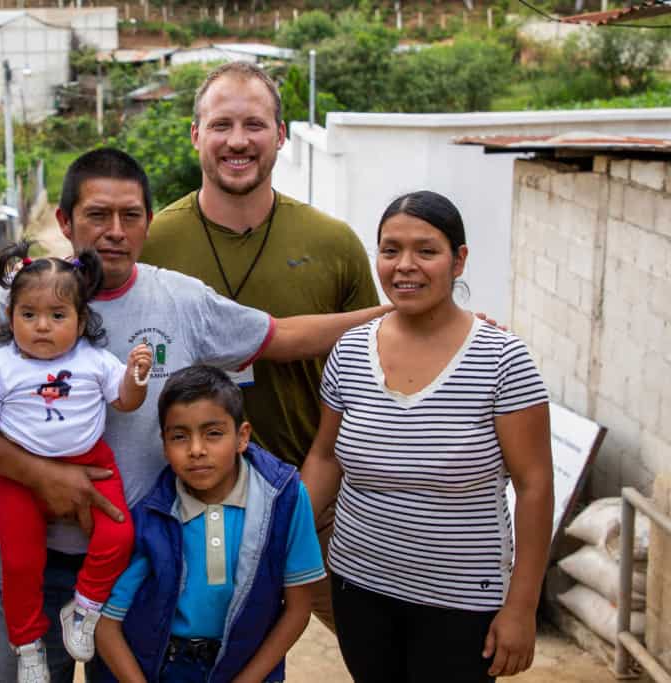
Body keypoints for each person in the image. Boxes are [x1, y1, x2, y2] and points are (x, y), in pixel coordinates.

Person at [0, 148, 389, 682]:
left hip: (136, 571)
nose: (115, 231)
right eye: (98, 215)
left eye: (131, 216)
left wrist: (398, 314)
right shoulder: (21, 300)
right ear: (66, 221)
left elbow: (284, 336)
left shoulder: (180, 299)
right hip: (36, 561)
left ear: (148, 222)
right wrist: (42, 475)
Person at [139, 61, 380, 630]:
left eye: (255, 124)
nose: (238, 141)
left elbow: (376, 363)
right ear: (196, 134)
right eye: (221, 125)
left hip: (313, 504)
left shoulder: (333, 244)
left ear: (280, 135)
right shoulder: (151, 244)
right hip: (181, 506)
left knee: (375, 648)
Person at [301, 191, 554, 682]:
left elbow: (535, 486)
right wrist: (281, 538)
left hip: (463, 600)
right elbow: (325, 457)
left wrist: (521, 608)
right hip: (358, 585)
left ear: (459, 260)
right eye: (390, 250)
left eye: (427, 250)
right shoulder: (351, 352)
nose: (405, 266)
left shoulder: (503, 361)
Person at [0, 241, 152, 682]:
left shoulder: (94, 361)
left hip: (95, 462)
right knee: (20, 563)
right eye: (28, 314)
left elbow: (127, 403)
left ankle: (85, 607)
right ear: (9, 317)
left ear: (81, 320)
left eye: (57, 316)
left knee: (120, 535)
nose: (41, 327)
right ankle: (28, 643)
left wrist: (136, 375)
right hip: (21, 478)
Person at [95, 365, 325, 683]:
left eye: (213, 433)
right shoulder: (152, 516)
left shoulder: (283, 498)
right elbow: (107, 625)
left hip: (251, 668)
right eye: (179, 437)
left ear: (242, 436)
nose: (197, 450)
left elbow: (298, 608)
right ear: (164, 444)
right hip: (168, 669)